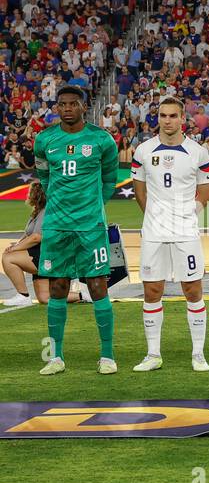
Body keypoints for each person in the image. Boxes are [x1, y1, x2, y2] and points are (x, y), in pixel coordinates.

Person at [34, 86, 120, 375]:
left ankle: (107, 356)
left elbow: (109, 180)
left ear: (84, 107)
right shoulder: (45, 139)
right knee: (57, 287)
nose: (67, 108)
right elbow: (44, 177)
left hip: (90, 226)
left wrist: (92, 206)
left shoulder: (101, 140)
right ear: (56, 108)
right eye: (62, 104)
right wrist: (61, 204)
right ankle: (55, 357)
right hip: (57, 225)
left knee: (97, 286)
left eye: (73, 104)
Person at [131, 95, 209, 372]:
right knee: (152, 290)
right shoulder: (143, 150)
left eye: (173, 116)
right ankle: (153, 354)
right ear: (158, 118)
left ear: (182, 119)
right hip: (154, 233)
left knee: (192, 290)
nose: (168, 120)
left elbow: (205, 192)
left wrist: (189, 214)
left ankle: (198, 354)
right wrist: (153, 216)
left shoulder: (198, 152)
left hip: (186, 232)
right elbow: (139, 191)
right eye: (163, 116)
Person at [2, 182, 87, 307]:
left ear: (36, 195)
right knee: (44, 297)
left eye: (30, 193)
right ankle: (85, 295)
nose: (28, 195)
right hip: (42, 253)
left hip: (48, 255)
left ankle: (23, 295)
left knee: (8, 258)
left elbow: (37, 237)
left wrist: (15, 248)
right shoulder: (38, 211)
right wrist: (17, 244)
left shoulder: (47, 211)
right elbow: (28, 234)